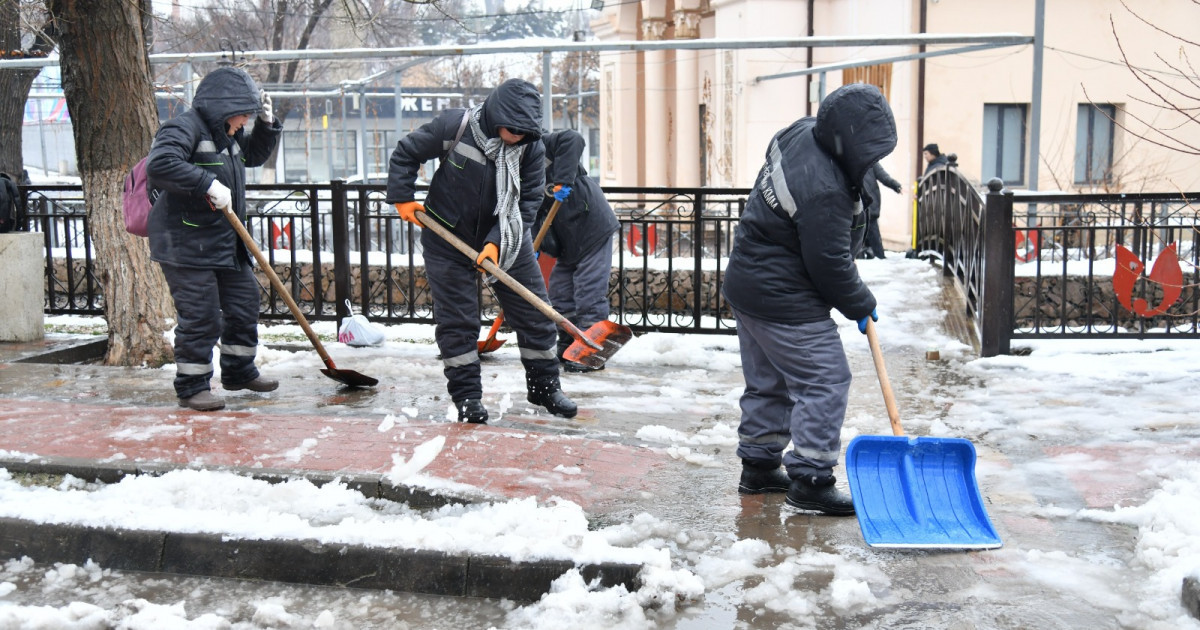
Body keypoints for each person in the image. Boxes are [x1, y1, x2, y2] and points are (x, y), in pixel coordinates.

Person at [721, 83, 896, 516]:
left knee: (769, 382)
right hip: (785, 297)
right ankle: (812, 480)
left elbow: (807, 161)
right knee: (825, 380)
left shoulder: (803, 131)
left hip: (749, 282)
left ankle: (759, 467)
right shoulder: (824, 192)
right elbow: (830, 265)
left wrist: (868, 173)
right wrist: (860, 302)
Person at [385, 78, 577, 424]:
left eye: (524, 132)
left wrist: (496, 243)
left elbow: (529, 200)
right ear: (494, 115)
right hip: (447, 237)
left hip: (506, 237)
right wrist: (402, 197)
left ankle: (545, 386)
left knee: (535, 312)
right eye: (511, 129)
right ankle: (468, 398)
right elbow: (406, 152)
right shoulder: (455, 127)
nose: (517, 137)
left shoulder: (531, 148)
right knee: (458, 321)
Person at [146, 66, 283, 412]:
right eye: (245, 115)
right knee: (202, 315)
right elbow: (160, 164)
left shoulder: (228, 134)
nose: (245, 122)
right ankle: (193, 386)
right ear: (225, 107)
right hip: (185, 243)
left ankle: (238, 371)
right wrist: (205, 183)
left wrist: (267, 126)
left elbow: (253, 156)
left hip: (224, 242)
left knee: (243, 303)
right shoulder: (184, 127)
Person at [535, 129, 620, 373]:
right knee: (560, 294)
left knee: (589, 292)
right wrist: (534, 245)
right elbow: (528, 210)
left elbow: (573, 138)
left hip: (592, 227)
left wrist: (562, 179)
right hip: (567, 241)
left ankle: (593, 352)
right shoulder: (514, 170)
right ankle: (570, 343)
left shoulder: (540, 144)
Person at [859, 162, 902, 260]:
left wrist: (896, 186)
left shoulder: (852, 159)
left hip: (863, 202)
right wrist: (896, 186)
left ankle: (870, 256)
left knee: (860, 231)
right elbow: (884, 176)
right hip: (869, 202)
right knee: (872, 232)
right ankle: (878, 257)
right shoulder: (872, 160)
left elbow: (884, 176)